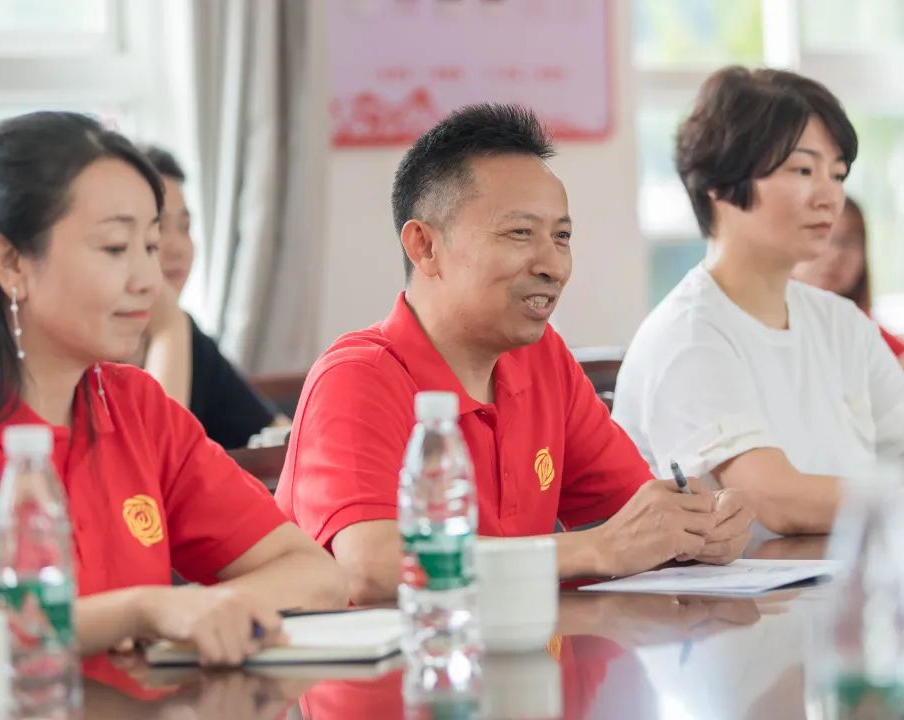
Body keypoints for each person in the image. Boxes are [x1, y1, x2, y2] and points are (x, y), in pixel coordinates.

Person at [0, 111, 347, 666]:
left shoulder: (136, 405)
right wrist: (138, 612)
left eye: (149, 246)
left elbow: (315, 575)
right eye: (114, 248)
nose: (148, 280)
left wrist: (199, 612)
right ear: (11, 262)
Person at [274, 104, 753, 604]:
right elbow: (372, 567)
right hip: (400, 653)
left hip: (520, 646)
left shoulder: (542, 359)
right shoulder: (357, 376)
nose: (552, 266)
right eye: (520, 233)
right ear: (424, 246)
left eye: (561, 237)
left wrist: (699, 526)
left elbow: (634, 517)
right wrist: (594, 550)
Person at [612, 67, 904, 537]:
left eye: (837, 174)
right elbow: (775, 499)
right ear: (719, 182)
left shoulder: (840, 323)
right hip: (738, 586)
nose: (830, 197)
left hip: (842, 575)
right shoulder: (688, 335)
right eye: (803, 170)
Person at [132, 145, 290, 449]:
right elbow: (154, 461)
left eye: (185, 228)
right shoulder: (96, 349)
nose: (177, 247)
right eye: (158, 228)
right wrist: (169, 325)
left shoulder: (192, 339)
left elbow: (277, 433)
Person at [792, 196, 904, 373]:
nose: (836, 253)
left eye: (849, 242)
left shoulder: (860, 324)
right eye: (820, 238)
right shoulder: (771, 325)